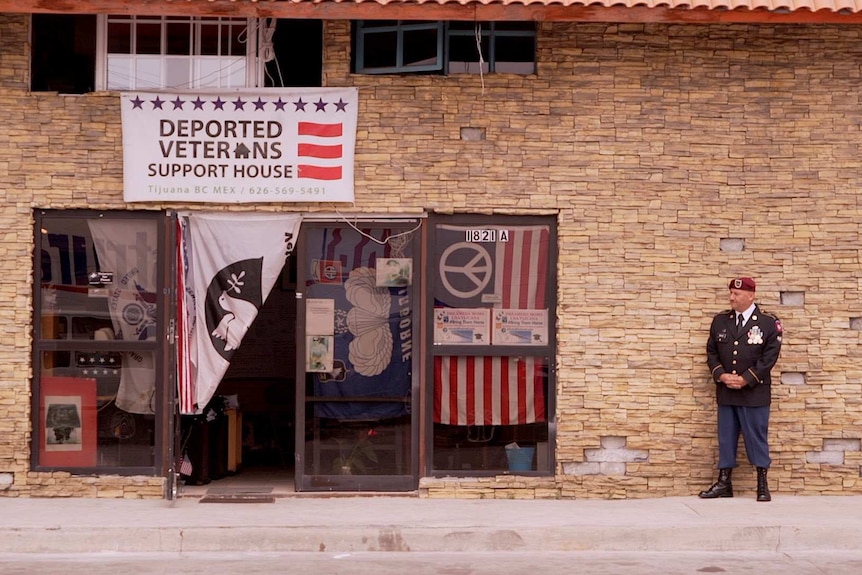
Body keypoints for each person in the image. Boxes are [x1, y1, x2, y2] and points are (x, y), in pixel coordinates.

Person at [700, 277, 783, 502]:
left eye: (736, 294)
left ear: (750, 295)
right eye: (730, 293)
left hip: (754, 392)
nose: (731, 298)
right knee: (726, 437)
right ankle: (724, 483)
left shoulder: (768, 323)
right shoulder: (720, 321)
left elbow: (769, 357)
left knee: (756, 437)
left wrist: (747, 379)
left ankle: (762, 484)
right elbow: (712, 352)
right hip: (727, 391)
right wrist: (720, 375)